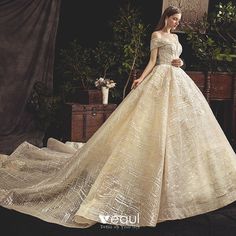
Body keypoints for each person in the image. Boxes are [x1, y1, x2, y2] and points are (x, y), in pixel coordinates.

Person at [0, 5, 236, 229]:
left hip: (178, 78)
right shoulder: (157, 35)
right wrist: (141, 79)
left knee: (181, 127)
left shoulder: (175, 38)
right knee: (150, 125)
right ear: (166, 18)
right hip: (160, 79)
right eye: (174, 19)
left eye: (178, 21)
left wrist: (180, 62)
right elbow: (152, 62)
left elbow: (177, 58)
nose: (176, 24)